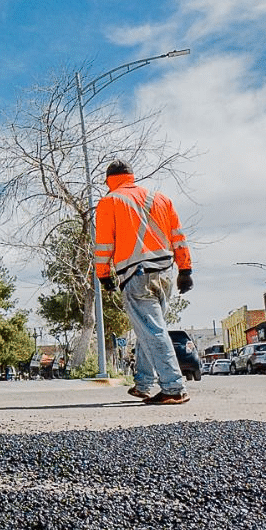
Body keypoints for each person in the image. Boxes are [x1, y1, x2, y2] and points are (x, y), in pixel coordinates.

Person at [93, 159, 193, 405]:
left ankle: (173, 387)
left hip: (137, 275)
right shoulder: (161, 199)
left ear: (109, 181)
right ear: (131, 176)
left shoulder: (110, 201)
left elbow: (104, 244)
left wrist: (103, 274)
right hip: (165, 273)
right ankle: (143, 384)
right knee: (147, 331)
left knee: (152, 331)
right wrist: (186, 269)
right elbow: (178, 237)